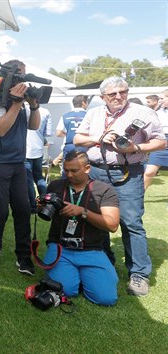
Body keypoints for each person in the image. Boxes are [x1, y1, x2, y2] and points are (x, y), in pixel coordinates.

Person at [73, 76, 166, 296]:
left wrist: (135, 147)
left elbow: (161, 141)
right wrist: (100, 137)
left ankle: (139, 274)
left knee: (131, 222)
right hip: (96, 171)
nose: (118, 96)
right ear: (102, 96)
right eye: (112, 93)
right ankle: (105, 261)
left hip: (128, 173)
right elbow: (77, 138)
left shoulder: (143, 112)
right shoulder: (94, 113)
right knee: (98, 220)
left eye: (122, 91)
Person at [0, 59, 40, 276]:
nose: (23, 80)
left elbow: (34, 126)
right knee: (0, 211)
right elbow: (0, 129)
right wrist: (15, 104)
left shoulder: (19, 104)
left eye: (25, 75)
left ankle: (23, 258)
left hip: (16, 164)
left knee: (23, 210)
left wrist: (32, 104)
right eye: (20, 75)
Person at [40, 151, 120, 306]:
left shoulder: (104, 190)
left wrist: (83, 212)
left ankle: (87, 276)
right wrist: (41, 205)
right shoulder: (56, 186)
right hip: (60, 248)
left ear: (87, 168)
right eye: (66, 170)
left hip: (91, 249)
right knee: (66, 290)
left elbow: (112, 225)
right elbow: (44, 210)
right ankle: (79, 277)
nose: (69, 174)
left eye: (74, 170)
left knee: (106, 298)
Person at [25, 105, 52, 212]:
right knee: (39, 177)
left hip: (25, 150)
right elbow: (48, 133)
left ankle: (32, 206)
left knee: (29, 180)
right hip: (38, 149)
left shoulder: (23, 110)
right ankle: (46, 202)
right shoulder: (46, 111)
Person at [143, 90, 168, 190]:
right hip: (161, 141)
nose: (160, 101)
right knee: (149, 172)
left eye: (162, 98)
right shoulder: (157, 113)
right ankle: (140, 197)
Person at [56, 95, 88, 167]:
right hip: (84, 146)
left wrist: (68, 135)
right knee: (83, 169)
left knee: (67, 169)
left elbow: (58, 133)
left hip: (69, 146)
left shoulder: (65, 116)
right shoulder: (88, 115)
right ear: (83, 103)